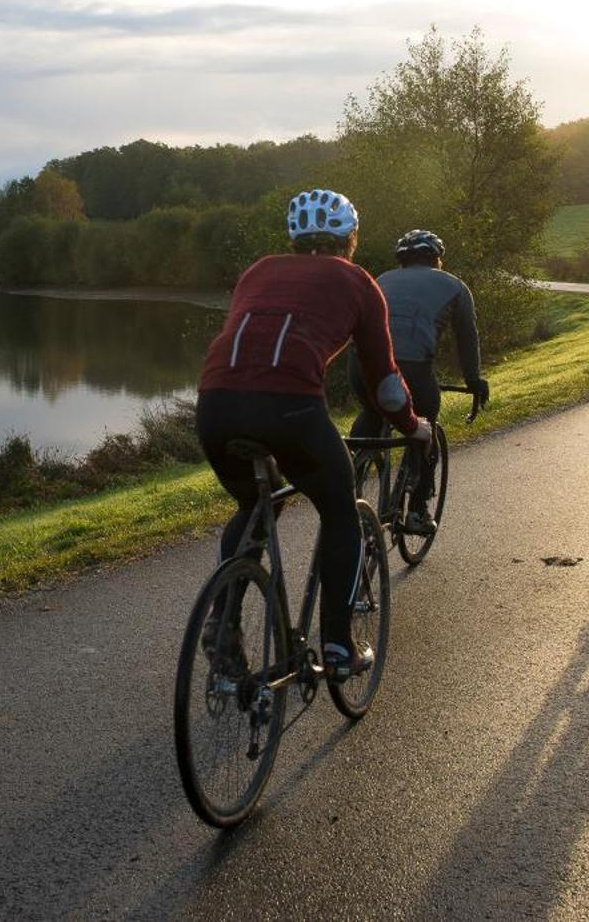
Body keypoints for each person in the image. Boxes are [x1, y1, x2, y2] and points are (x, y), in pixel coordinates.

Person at [197, 188, 429, 681]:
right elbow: (385, 387)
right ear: (351, 237)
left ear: (293, 239)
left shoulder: (258, 271)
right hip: (288, 408)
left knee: (254, 506)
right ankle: (339, 644)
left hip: (215, 404)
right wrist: (414, 428)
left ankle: (224, 619)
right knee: (340, 507)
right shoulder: (360, 281)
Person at [349, 229, 489, 536]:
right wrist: (474, 380)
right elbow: (467, 338)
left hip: (361, 366)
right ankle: (417, 511)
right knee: (425, 425)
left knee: (372, 409)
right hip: (413, 369)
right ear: (437, 259)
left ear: (401, 261)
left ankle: (352, 474)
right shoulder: (454, 285)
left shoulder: (381, 279)